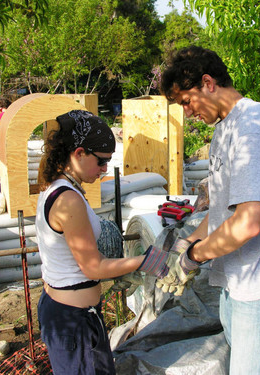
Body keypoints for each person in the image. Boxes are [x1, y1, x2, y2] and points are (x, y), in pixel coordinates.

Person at [158, 46, 260, 375]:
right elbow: (225, 210)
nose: (186, 112)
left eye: (186, 101)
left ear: (208, 83)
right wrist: (185, 242)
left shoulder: (251, 126)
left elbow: (248, 223)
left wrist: (192, 257)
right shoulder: (224, 128)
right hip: (238, 280)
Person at [35, 110, 176, 375]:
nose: (104, 170)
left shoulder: (59, 187)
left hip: (69, 313)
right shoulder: (68, 200)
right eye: (101, 161)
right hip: (74, 321)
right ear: (78, 153)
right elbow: (93, 267)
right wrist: (146, 262)